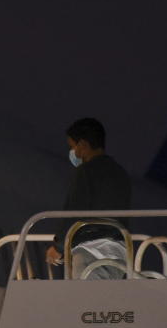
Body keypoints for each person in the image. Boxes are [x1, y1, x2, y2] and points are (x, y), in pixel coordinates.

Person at [45, 117, 131, 279]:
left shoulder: (86, 172)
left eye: (73, 146)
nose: (74, 153)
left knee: (85, 301)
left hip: (91, 249)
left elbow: (74, 212)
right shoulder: (120, 173)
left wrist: (58, 247)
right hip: (118, 249)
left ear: (83, 145)